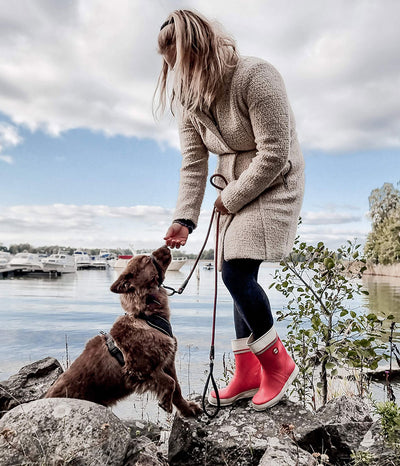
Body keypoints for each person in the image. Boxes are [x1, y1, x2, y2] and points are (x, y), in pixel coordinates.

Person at [154, 9, 305, 411]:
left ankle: (277, 364)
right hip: (232, 185)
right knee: (239, 272)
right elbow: (193, 164)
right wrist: (184, 218)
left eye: (180, 62)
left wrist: (232, 197)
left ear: (201, 50)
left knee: (234, 271)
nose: (175, 72)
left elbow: (275, 153)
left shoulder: (256, 76)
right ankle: (247, 371)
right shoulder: (190, 102)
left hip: (274, 180)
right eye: (169, 64)